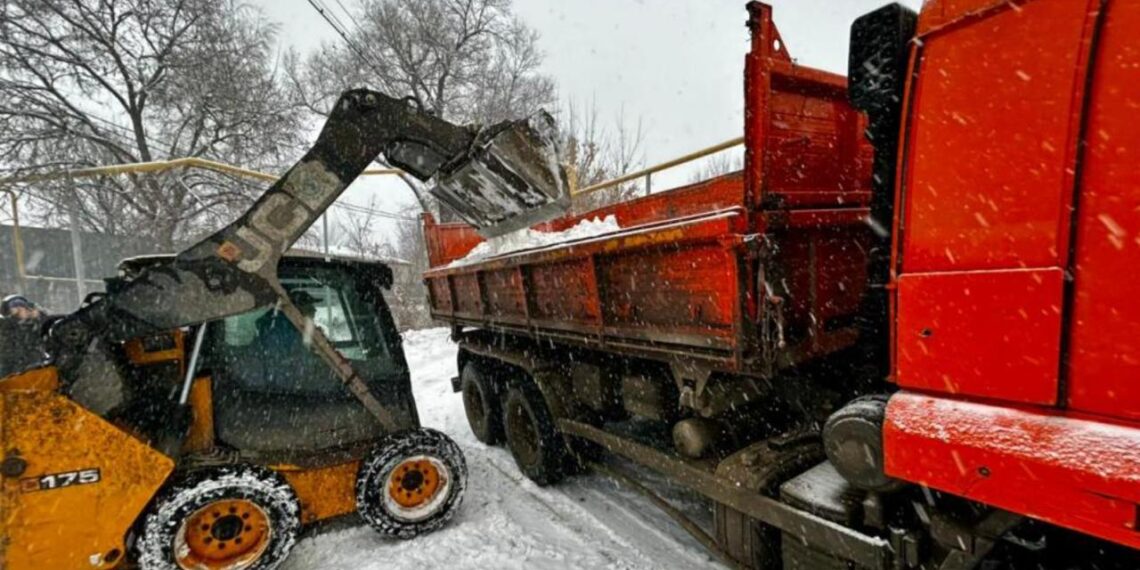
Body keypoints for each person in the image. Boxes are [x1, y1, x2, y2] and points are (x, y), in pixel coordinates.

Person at [0, 295, 49, 378]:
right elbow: (6, 326)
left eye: (22, 305)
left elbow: (48, 325)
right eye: (14, 306)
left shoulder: (33, 326)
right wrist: (15, 317)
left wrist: (39, 316)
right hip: (8, 369)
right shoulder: (5, 325)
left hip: (33, 368)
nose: (20, 308)